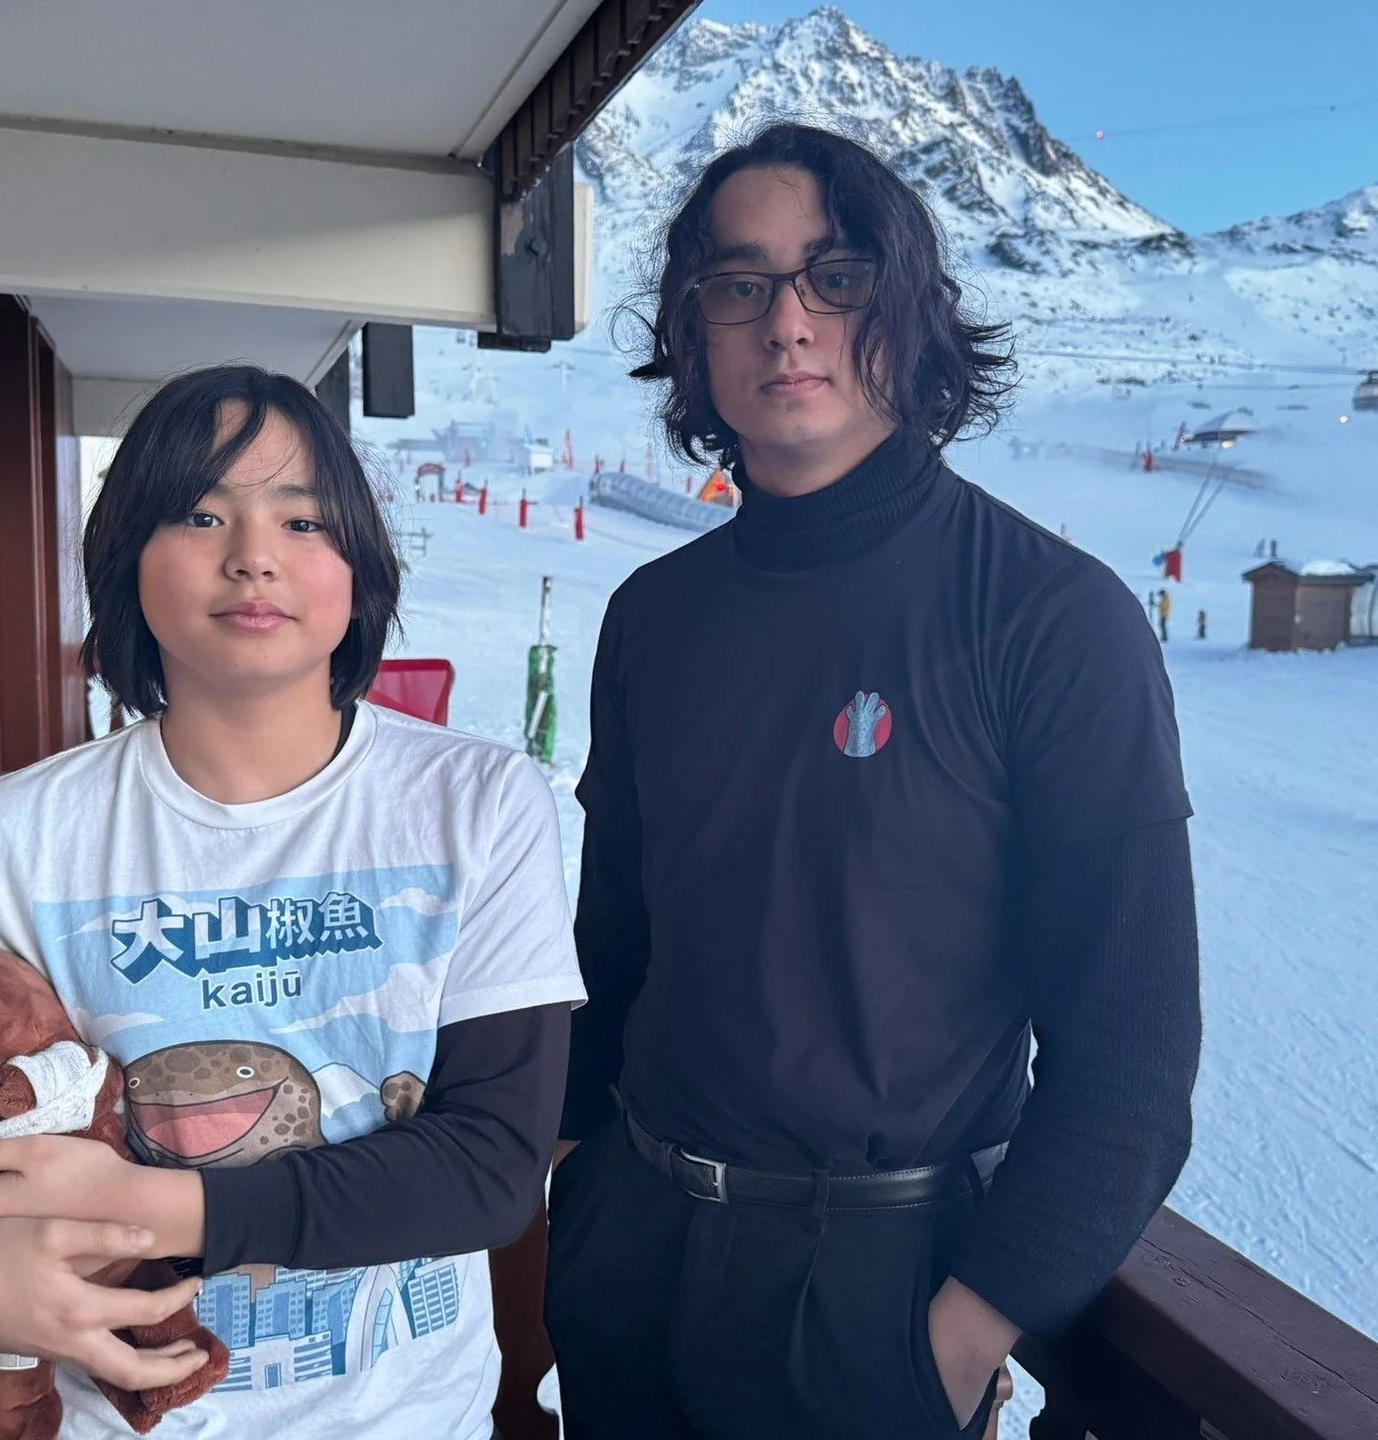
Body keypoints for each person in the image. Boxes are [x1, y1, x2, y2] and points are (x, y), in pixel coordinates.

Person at [544, 123, 1200, 1440]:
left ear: (910, 313)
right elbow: (614, 944)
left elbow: (1129, 1059)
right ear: (693, 333)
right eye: (739, 284)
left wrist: (957, 1340)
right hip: (634, 1256)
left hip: (872, 1297)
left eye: (836, 278)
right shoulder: (654, 618)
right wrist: (580, 1176)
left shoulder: (1047, 618)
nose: (787, 323)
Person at [0, 366, 585, 1439]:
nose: (254, 554)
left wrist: (154, 1209)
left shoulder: (476, 805)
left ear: (357, 567)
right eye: (201, 514)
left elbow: (488, 1171)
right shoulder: (12, 838)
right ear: (126, 559)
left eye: (303, 518)